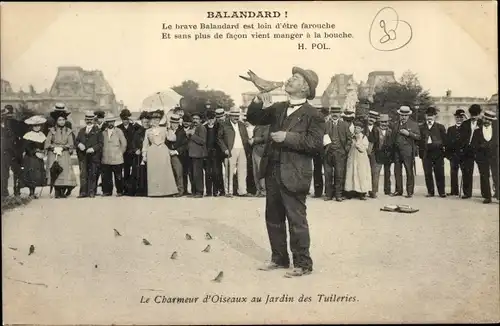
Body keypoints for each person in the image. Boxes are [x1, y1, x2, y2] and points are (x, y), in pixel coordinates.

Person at [246, 66, 323, 278]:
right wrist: (259, 99)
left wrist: (287, 137)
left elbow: (315, 144)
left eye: (296, 78)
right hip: (272, 171)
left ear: (305, 88)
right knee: (273, 217)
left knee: (296, 220)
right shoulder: (279, 107)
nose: (289, 79)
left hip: (295, 174)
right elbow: (255, 118)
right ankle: (279, 259)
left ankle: (303, 264)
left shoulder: (313, 114)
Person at [142, 110, 178, 197]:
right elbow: (145, 143)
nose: (155, 121)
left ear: (160, 120)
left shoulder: (164, 129)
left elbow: (172, 139)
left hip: (163, 151)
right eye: (153, 120)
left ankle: (166, 191)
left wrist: (169, 129)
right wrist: (144, 155)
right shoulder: (148, 131)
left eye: (157, 120)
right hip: (152, 152)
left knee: (164, 171)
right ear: (150, 121)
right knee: (153, 172)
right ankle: (154, 192)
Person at [45, 105, 78, 198]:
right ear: (56, 121)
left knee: (64, 172)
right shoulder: (51, 131)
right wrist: (53, 147)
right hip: (54, 154)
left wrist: (64, 148)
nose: (62, 122)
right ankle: (57, 191)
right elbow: (47, 143)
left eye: (63, 120)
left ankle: (63, 190)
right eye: (59, 120)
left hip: (64, 154)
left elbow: (71, 144)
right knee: (55, 171)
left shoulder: (68, 131)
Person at [218, 108, 251, 197]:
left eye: (237, 116)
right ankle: (229, 191)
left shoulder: (242, 125)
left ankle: (242, 191)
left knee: (242, 171)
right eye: (234, 116)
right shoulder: (224, 125)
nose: (236, 118)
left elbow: (246, 137)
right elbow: (219, 138)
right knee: (229, 171)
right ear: (230, 116)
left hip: (242, 149)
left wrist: (247, 148)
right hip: (230, 149)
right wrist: (224, 149)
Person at [391, 105, 421, 198]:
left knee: (409, 171)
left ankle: (409, 192)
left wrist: (409, 134)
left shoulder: (414, 124)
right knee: (397, 171)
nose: (403, 117)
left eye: (405, 115)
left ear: (408, 116)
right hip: (397, 152)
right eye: (402, 115)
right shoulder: (395, 124)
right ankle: (398, 190)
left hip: (408, 152)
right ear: (399, 115)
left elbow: (418, 137)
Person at [323, 106, 352, 201]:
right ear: (330, 114)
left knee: (339, 174)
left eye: (337, 113)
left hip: (340, 153)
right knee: (328, 174)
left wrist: (345, 150)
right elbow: (321, 137)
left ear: (340, 114)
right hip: (328, 153)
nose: (335, 115)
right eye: (333, 113)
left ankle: (338, 195)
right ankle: (328, 194)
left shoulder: (344, 125)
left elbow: (349, 139)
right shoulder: (325, 125)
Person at [418, 107, 447, 198]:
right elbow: (418, 140)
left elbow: (445, 140)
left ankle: (441, 192)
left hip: (438, 153)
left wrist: (443, 151)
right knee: (428, 173)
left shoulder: (440, 127)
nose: (430, 117)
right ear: (425, 116)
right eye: (428, 115)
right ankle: (430, 192)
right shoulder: (421, 127)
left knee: (439, 173)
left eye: (432, 115)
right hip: (426, 153)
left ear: (435, 116)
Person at [459, 104, 485, 200]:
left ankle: (485, 193)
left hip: (479, 151)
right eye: (472, 114)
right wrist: (463, 148)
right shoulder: (465, 124)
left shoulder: (482, 123)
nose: (473, 116)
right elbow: (461, 138)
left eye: (476, 114)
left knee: (483, 172)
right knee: (467, 172)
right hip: (467, 150)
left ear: (479, 114)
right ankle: (467, 193)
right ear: (470, 114)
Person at [75, 111, 103, 198]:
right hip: (83, 156)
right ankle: (83, 192)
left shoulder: (98, 131)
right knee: (83, 174)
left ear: (94, 120)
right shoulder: (81, 130)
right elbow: (76, 141)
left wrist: (93, 148)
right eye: (87, 119)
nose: (89, 121)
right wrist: (79, 144)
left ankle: (92, 192)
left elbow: (101, 144)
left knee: (93, 174)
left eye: (91, 119)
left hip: (94, 156)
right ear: (85, 120)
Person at [19, 115, 48, 198]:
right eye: (35, 125)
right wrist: (34, 151)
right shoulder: (28, 135)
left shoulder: (42, 135)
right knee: (31, 174)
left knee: (37, 175)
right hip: (30, 157)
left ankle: (33, 191)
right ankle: (31, 192)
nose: (37, 127)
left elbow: (44, 145)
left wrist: (42, 151)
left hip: (39, 157)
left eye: (38, 125)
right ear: (32, 126)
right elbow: (26, 147)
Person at [344, 118, 371, 200]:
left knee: (361, 174)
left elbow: (363, 149)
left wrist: (358, 139)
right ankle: (351, 191)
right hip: (352, 157)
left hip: (361, 159)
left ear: (362, 129)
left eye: (358, 128)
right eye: (355, 127)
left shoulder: (363, 137)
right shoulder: (351, 136)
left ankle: (362, 192)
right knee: (351, 173)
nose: (356, 129)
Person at [117, 108, 141, 195]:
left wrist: (134, 122)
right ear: (121, 119)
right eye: (123, 119)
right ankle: (124, 189)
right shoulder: (118, 128)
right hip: (123, 153)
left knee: (133, 171)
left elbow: (141, 129)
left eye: (127, 119)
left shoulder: (134, 126)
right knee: (125, 171)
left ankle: (132, 189)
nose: (125, 121)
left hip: (133, 153)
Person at [101, 115, 127, 196]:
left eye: (112, 121)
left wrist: (120, 153)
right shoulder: (103, 132)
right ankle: (107, 191)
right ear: (106, 123)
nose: (110, 123)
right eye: (109, 122)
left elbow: (124, 144)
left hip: (117, 158)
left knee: (118, 176)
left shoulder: (119, 131)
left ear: (114, 122)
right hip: (106, 158)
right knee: (106, 177)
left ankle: (119, 191)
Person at [1, 105, 23, 197]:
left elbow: (20, 137)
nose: (4, 116)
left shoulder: (14, 123)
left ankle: (17, 191)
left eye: (6, 114)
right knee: (4, 173)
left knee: (17, 172)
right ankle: (4, 192)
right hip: (4, 152)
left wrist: (19, 150)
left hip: (14, 152)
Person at [445, 109, 467, 196]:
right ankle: (454, 191)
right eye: (457, 117)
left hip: (463, 155)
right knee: (453, 173)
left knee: (465, 173)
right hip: (453, 155)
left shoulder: (466, 128)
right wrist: (448, 155)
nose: (459, 119)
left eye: (461, 117)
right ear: (455, 118)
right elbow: (447, 142)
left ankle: (466, 192)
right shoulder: (450, 129)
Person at [370, 114, 393, 197]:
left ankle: (387, 190)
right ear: (379, 122)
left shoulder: (390, 131)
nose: (384, 124)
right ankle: (373, 191)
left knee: (388, 173)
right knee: (375, 173)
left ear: (388, 122)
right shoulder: (375, 130)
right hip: (377, 154)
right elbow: (371, 142)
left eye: (386, 122)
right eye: (382, 122)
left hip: (387, 154)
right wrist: (370, 153)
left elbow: (392, 143)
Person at [166, 114, 187, 196]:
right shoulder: (168, 131)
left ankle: (180, 191)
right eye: (173, 123)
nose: (174, 124)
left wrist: (176, 151)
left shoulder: (182, 132)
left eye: (176, 123)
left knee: (179, 173)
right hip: (168, 154)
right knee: (170, 173)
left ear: (178, 123)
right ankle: (171, 190)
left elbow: (185, 145)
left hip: (178, 155)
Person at [187, 112, 207, 198]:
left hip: (198, 154)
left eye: (197, 119)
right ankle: (194, 191)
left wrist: (192, 135)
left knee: (197, 174)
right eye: (194, 119)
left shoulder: (201, 128)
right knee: (191, 174)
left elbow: (202, 141)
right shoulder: (192, 127)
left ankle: (199, 191)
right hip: (191, 154)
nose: (195, 120)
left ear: (200, 120)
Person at [203, 110, 222, 196]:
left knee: (216, 172)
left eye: (212, 119)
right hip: (207, 153)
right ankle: (208, 191)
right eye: (209, 119)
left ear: (215, 119)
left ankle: (215, 190)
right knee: (208, 172)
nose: (211, 121)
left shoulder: (218, 127)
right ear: (207, 119)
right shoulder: (204, 128)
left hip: (216, 153)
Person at [481, 110, 499, 201]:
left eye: (489, 120)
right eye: (486, 119)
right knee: (484, 176)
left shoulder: (496, 129)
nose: (487, 121)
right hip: (482, 157)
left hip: (494, 156)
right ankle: (487, 197)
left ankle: (498, 194)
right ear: (483, 118)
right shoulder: (478, 129)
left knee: (496, 174)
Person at [132, 111, 150, 196]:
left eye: (147, 122)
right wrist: (135, 149)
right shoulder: (138, 132)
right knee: (140, 172)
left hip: (150, 155)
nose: (145, 124)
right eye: (143, 122)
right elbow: (133, 143)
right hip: (140, 155)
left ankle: (149, 189)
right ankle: (140, 189)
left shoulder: (151, 131)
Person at [250, 123, 270, 197]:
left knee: (261, 171)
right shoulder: (258, 125)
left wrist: (254, 139)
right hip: (255, 150)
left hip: (262, 151)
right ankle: (258, 190)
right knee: (255, 172)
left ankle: (263, 191)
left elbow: (266, 137)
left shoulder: (267, 125)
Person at [366, 110, 380, 198]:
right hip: (363, 152)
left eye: (374, 118)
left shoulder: (377, 129)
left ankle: (373, 191)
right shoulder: (363, 127)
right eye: (370, 117)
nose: (371, 119)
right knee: (363, 171)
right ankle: (362, 191)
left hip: (374, 153)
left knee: (374, 172)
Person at [180, 114, 195, 195]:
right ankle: (184, 190)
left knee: (191, 173)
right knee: (183, 173)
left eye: (188, 122)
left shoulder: (193, 130)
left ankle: (193, 190)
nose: (186, 123)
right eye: (185, 122)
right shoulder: (180, 130)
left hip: (190, 154)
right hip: (182, 155)